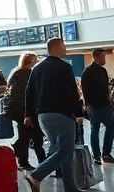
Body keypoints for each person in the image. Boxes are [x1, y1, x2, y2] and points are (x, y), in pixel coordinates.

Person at [23, 38, 81, 192]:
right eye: (64, 47)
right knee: (66, 150)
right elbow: (71, 92)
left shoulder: (37, 68)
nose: (65, 50)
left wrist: (28, 113)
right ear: (57, 48)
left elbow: (29, 92)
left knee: (61, 150)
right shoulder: (64, 67)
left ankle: (70, 188)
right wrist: (78, 112)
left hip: (43, 116)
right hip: (62, 114)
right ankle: (35, 176)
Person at [80, 48, 114, 166]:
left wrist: (89, 104)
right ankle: (105, 153)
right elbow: (86, 89)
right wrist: (89, 104)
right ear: (96, 57)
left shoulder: (90, 71)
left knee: (95, 129)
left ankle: (97, 154)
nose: (104, 59)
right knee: (110, 127)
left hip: (97, 105)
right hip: (100, 104)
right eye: (103, 57)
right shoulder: (95, 71)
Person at [6, 53, 43, 171]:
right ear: (31, 61)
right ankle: (24, 159)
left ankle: (21, 156)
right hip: (25, 109)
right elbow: (28, 94)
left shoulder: (16, 72)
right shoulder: (27, 74)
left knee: (24, 135)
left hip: (16, 109)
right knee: (32, 135)